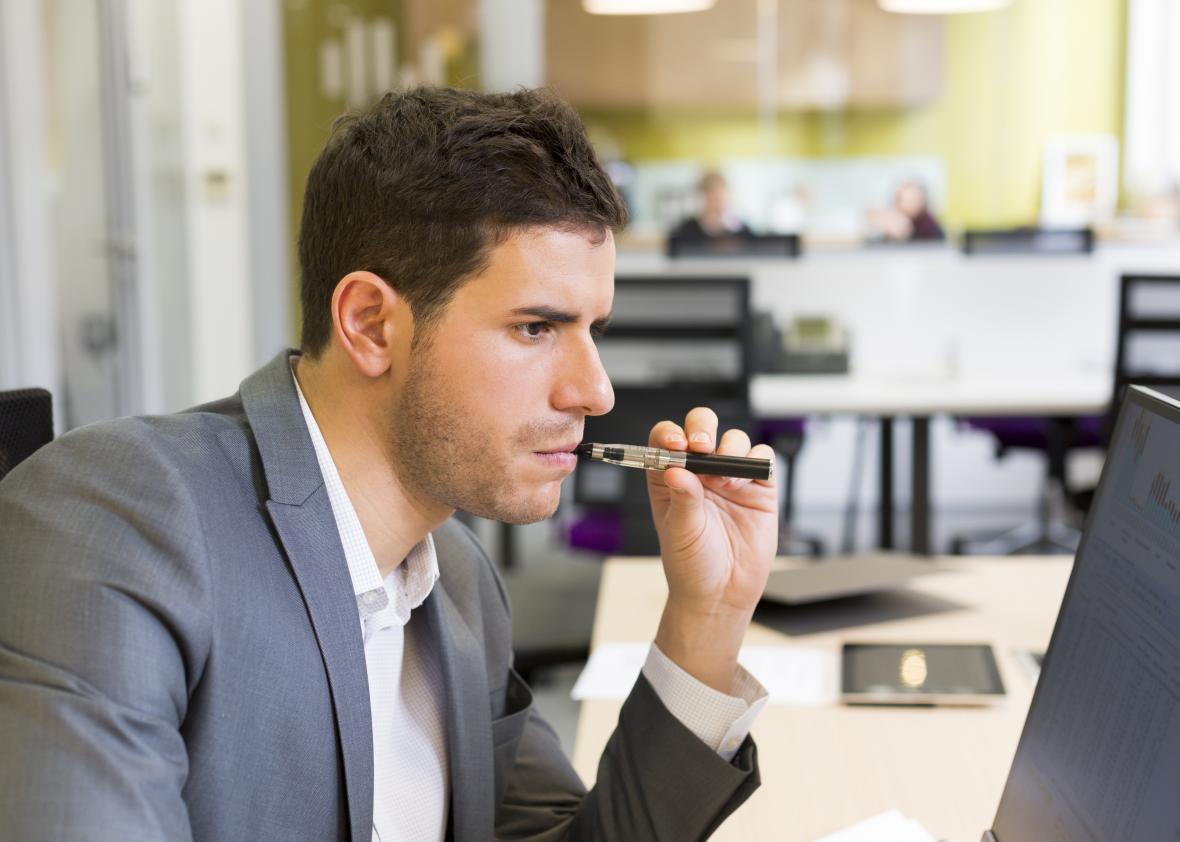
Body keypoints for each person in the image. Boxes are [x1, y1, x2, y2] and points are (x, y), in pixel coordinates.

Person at [0, 87, 778, 840]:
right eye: (537, 328)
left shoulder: (462, 584)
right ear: (371, 324)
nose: (596, 391)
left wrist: (706, 618)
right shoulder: (116, 520)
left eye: (593, 331)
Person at [669, 169, 753, 244]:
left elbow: (755, 245)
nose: (718, 203)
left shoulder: (740, 228)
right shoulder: (688, 229)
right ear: (702, 198)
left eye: (721, 197)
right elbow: (672, 244)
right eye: (713, 197)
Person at [867, 178, 944, 242]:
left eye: (915, 198)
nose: (913, 203)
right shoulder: (889, 219)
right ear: (898, 202)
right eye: (908, 199)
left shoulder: (929, 225)